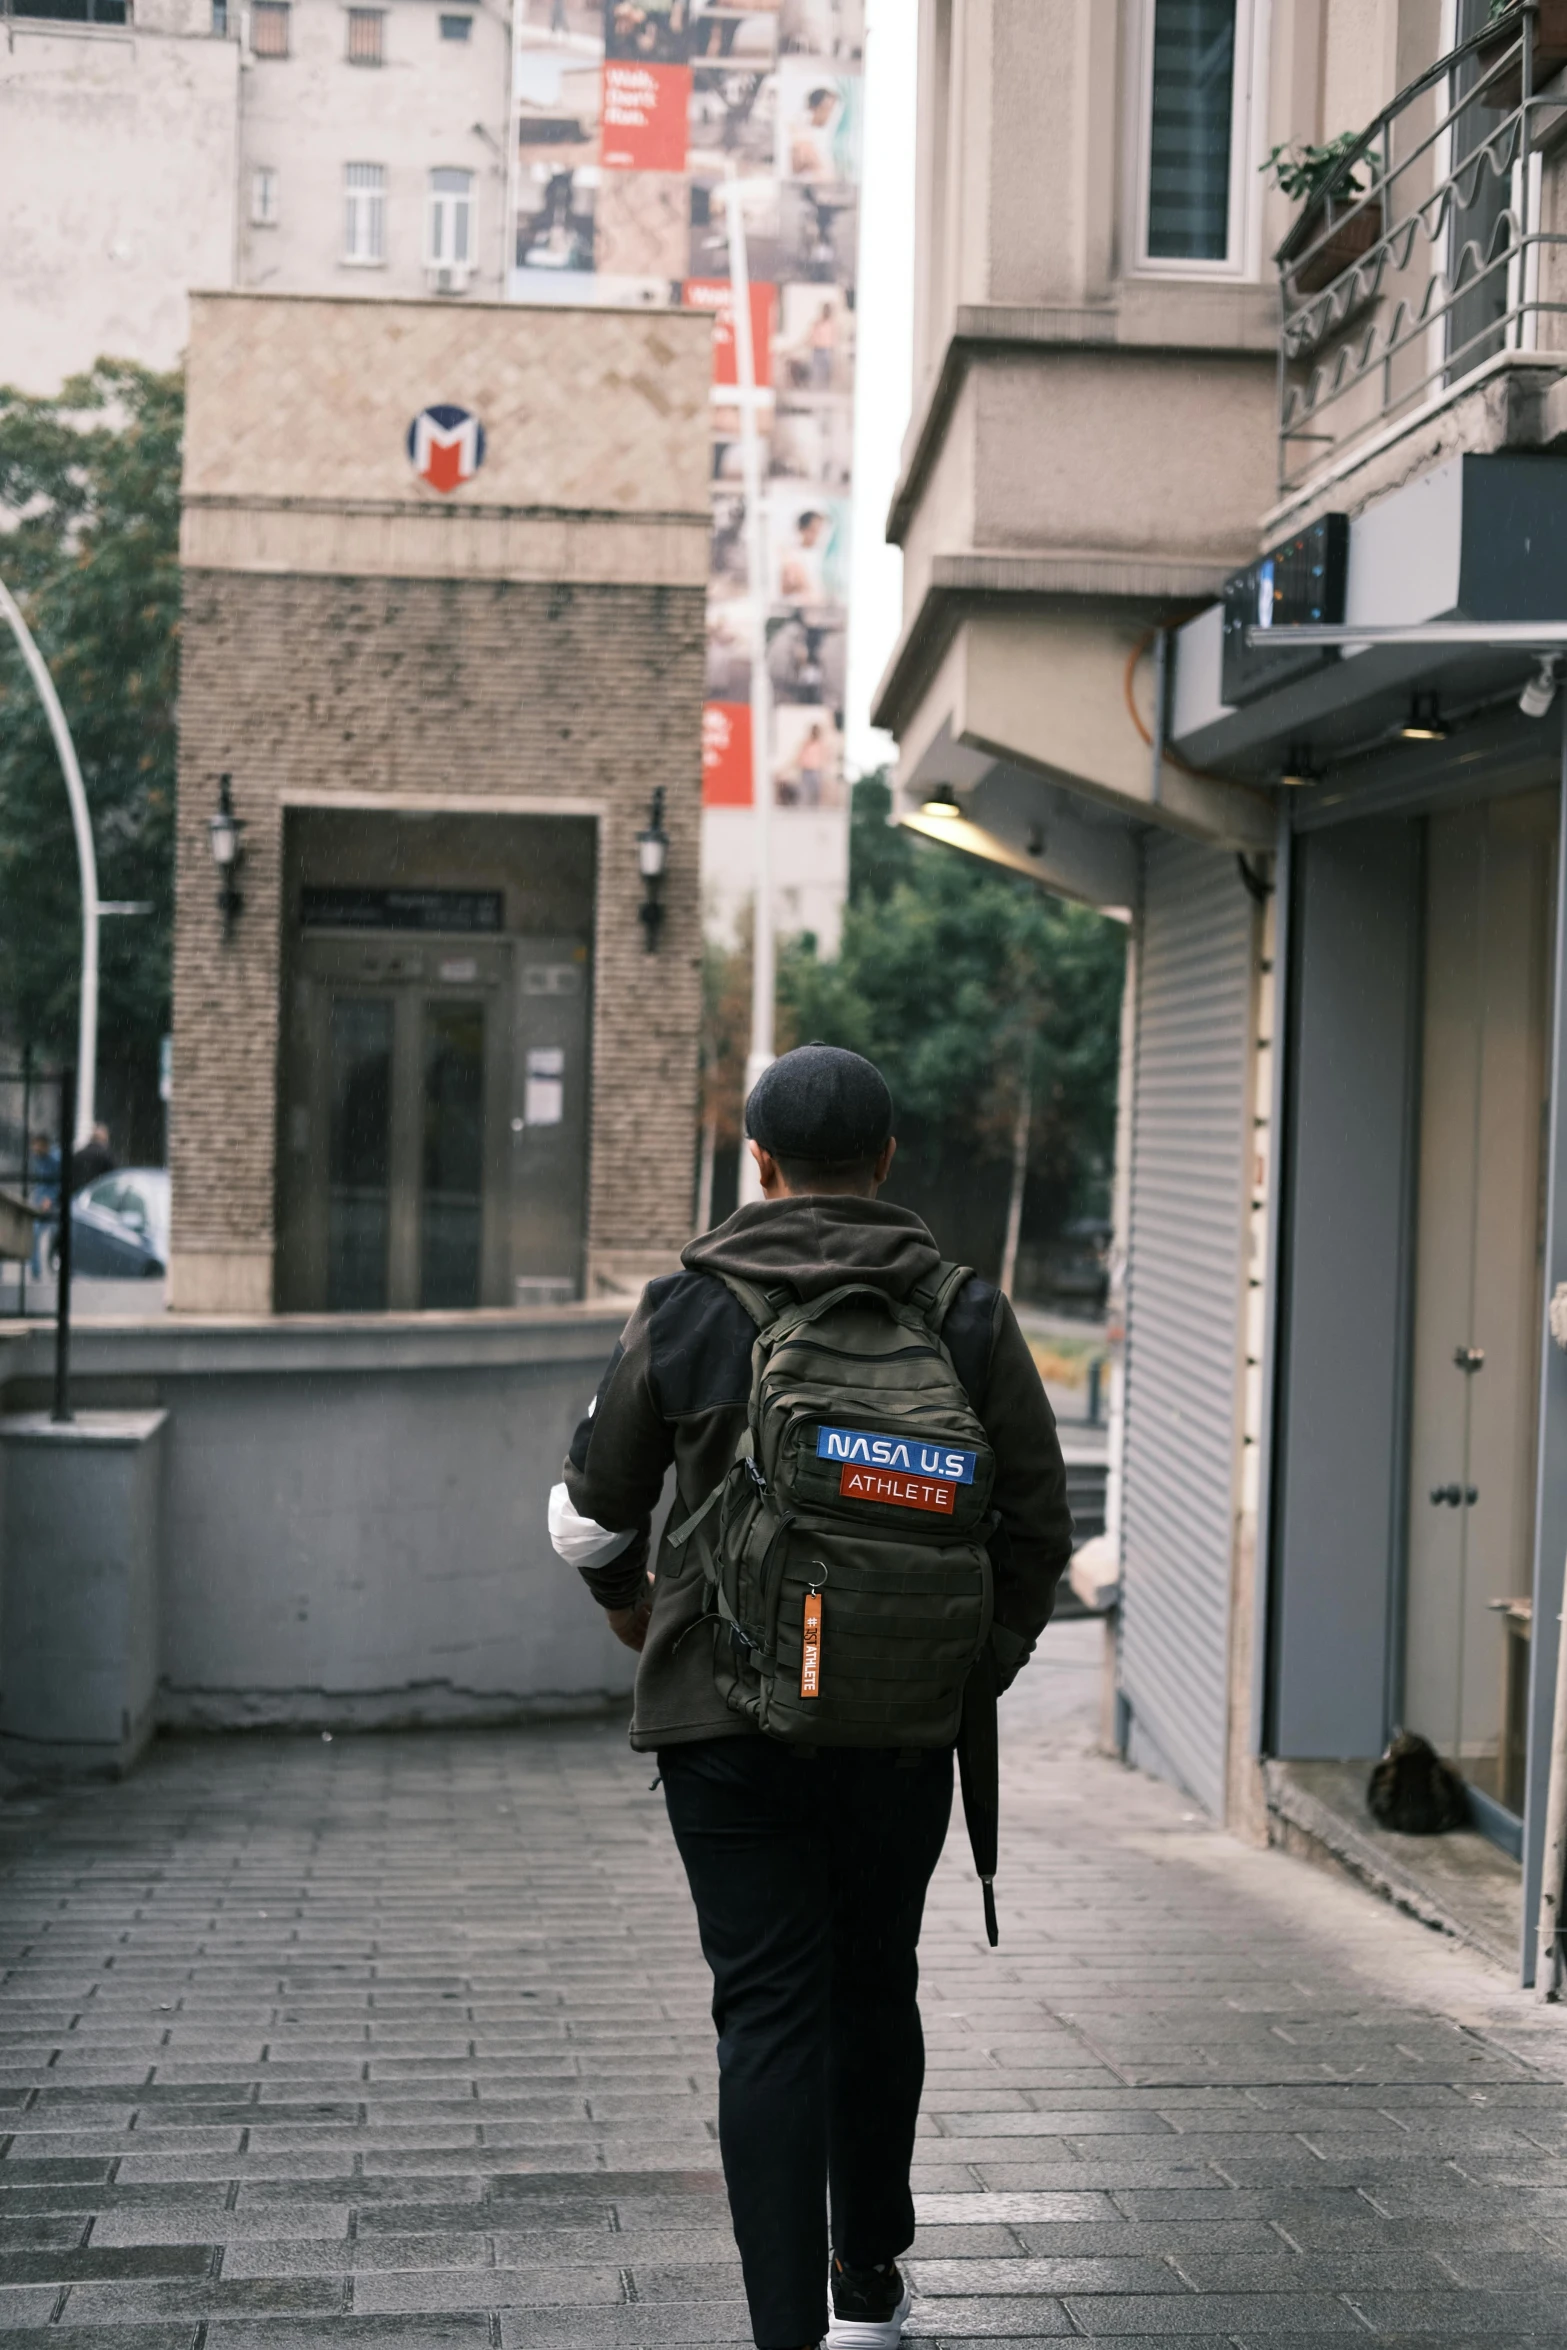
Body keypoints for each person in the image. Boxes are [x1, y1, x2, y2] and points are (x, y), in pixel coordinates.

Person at [549, 1045, 1073, 2350]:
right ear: (887, 1161)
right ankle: (865, 2290)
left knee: (767, 2005)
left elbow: (592, 1512)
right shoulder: (964, 1311)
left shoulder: (687, 1302)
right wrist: (954, 1669)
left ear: (759, 1162)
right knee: (870, 1979)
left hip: (722, 1728)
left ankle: (785, 2327)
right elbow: (1035, 1533)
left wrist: (632, 1614)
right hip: (897, 1733)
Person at [68, 1122, 115, 1195]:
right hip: (97, 1196)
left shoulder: (79, 1154)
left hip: (77, 1196)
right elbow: (112, 1178)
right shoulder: (106, 1156)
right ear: (105, 1139)